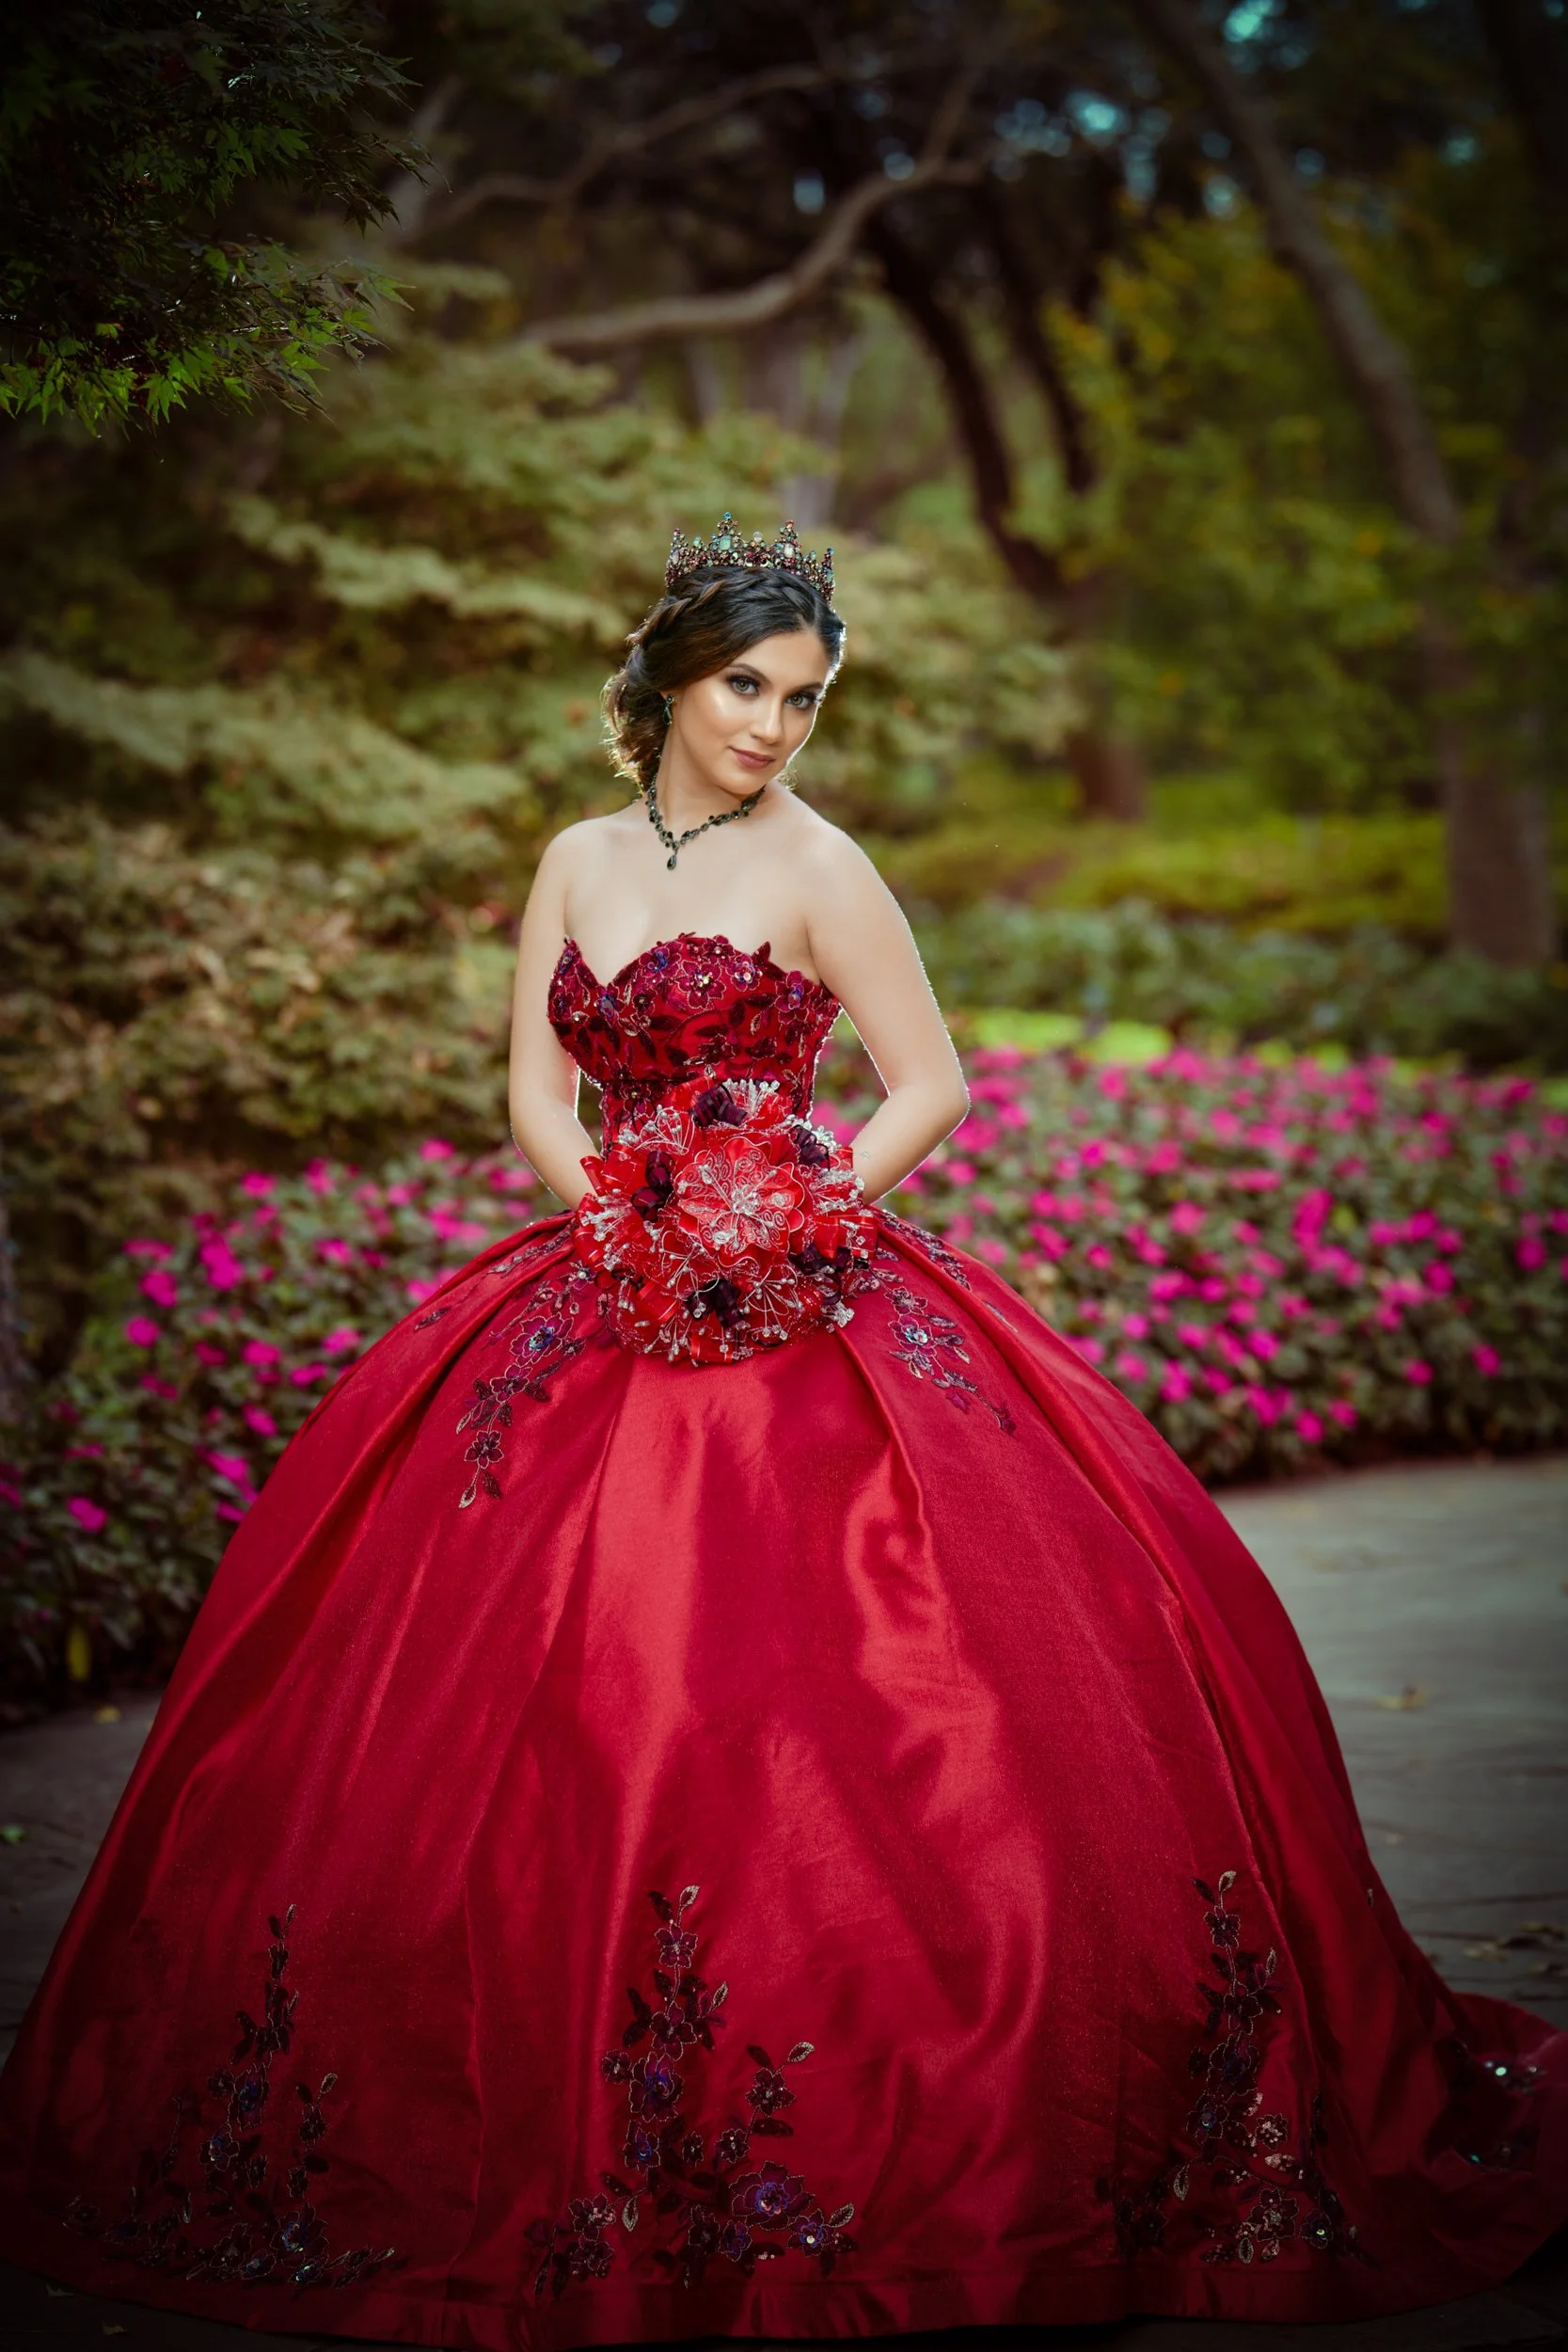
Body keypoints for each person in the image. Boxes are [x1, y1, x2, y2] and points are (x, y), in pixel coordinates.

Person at [0, 517, 1561, 2350]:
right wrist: (611, 1214)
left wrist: (788, 1201)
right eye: (746, 684)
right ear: (669, 670)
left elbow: (932, 1084)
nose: (771, 726)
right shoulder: (574, 855)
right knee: (499, 1693)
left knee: (825, 1698)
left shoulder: (822, 868)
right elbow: (531, 1078)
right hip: (595, 1284)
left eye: (803, 697)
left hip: (805, 1296)